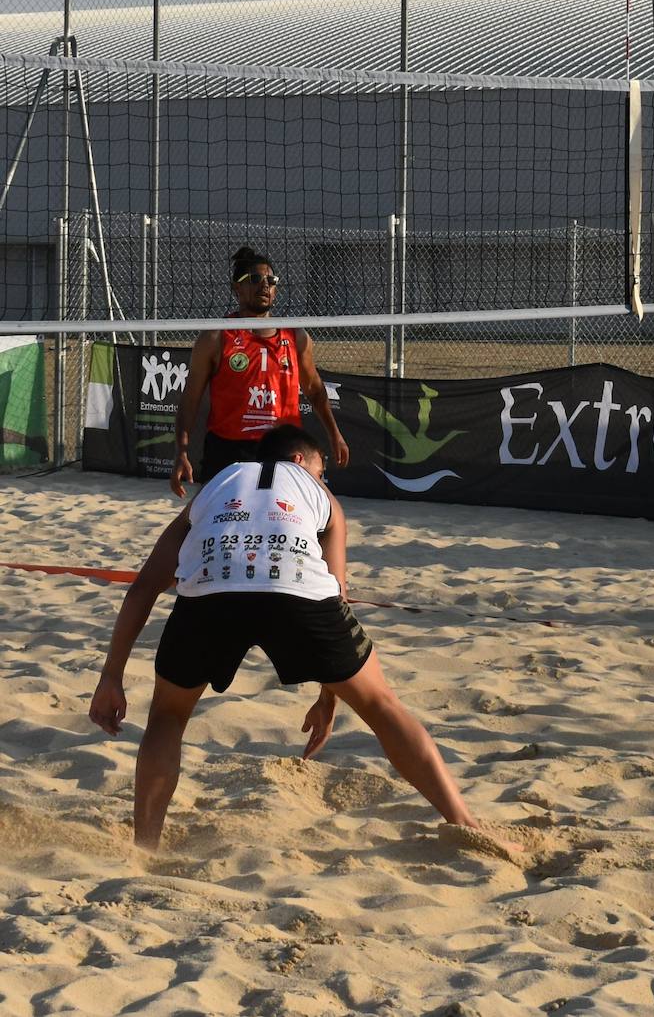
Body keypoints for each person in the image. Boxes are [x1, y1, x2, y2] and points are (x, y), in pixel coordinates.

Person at [89, 424, 503, 851]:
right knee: (382, 706)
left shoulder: (217, 485)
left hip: (211, 593)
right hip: (297, 592)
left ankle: (144, 847)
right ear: (301, 462)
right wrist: (329, 697)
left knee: (167, 719)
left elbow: (143, 588)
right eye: (323, 472)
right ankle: (464, 821)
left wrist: (111, 677)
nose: (323, 481)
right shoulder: (320, 495)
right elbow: (337, 594)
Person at [171, 245, 349, 497]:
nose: (265, 285)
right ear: (237, 287)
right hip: (230, 449)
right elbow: (190, 400)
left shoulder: (296, 336)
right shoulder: (215, 337)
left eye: (271, 280)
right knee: (212, 523)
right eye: (255, 279)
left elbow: (316, 391)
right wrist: (181, 451)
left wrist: (335, 435)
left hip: (283, 449)